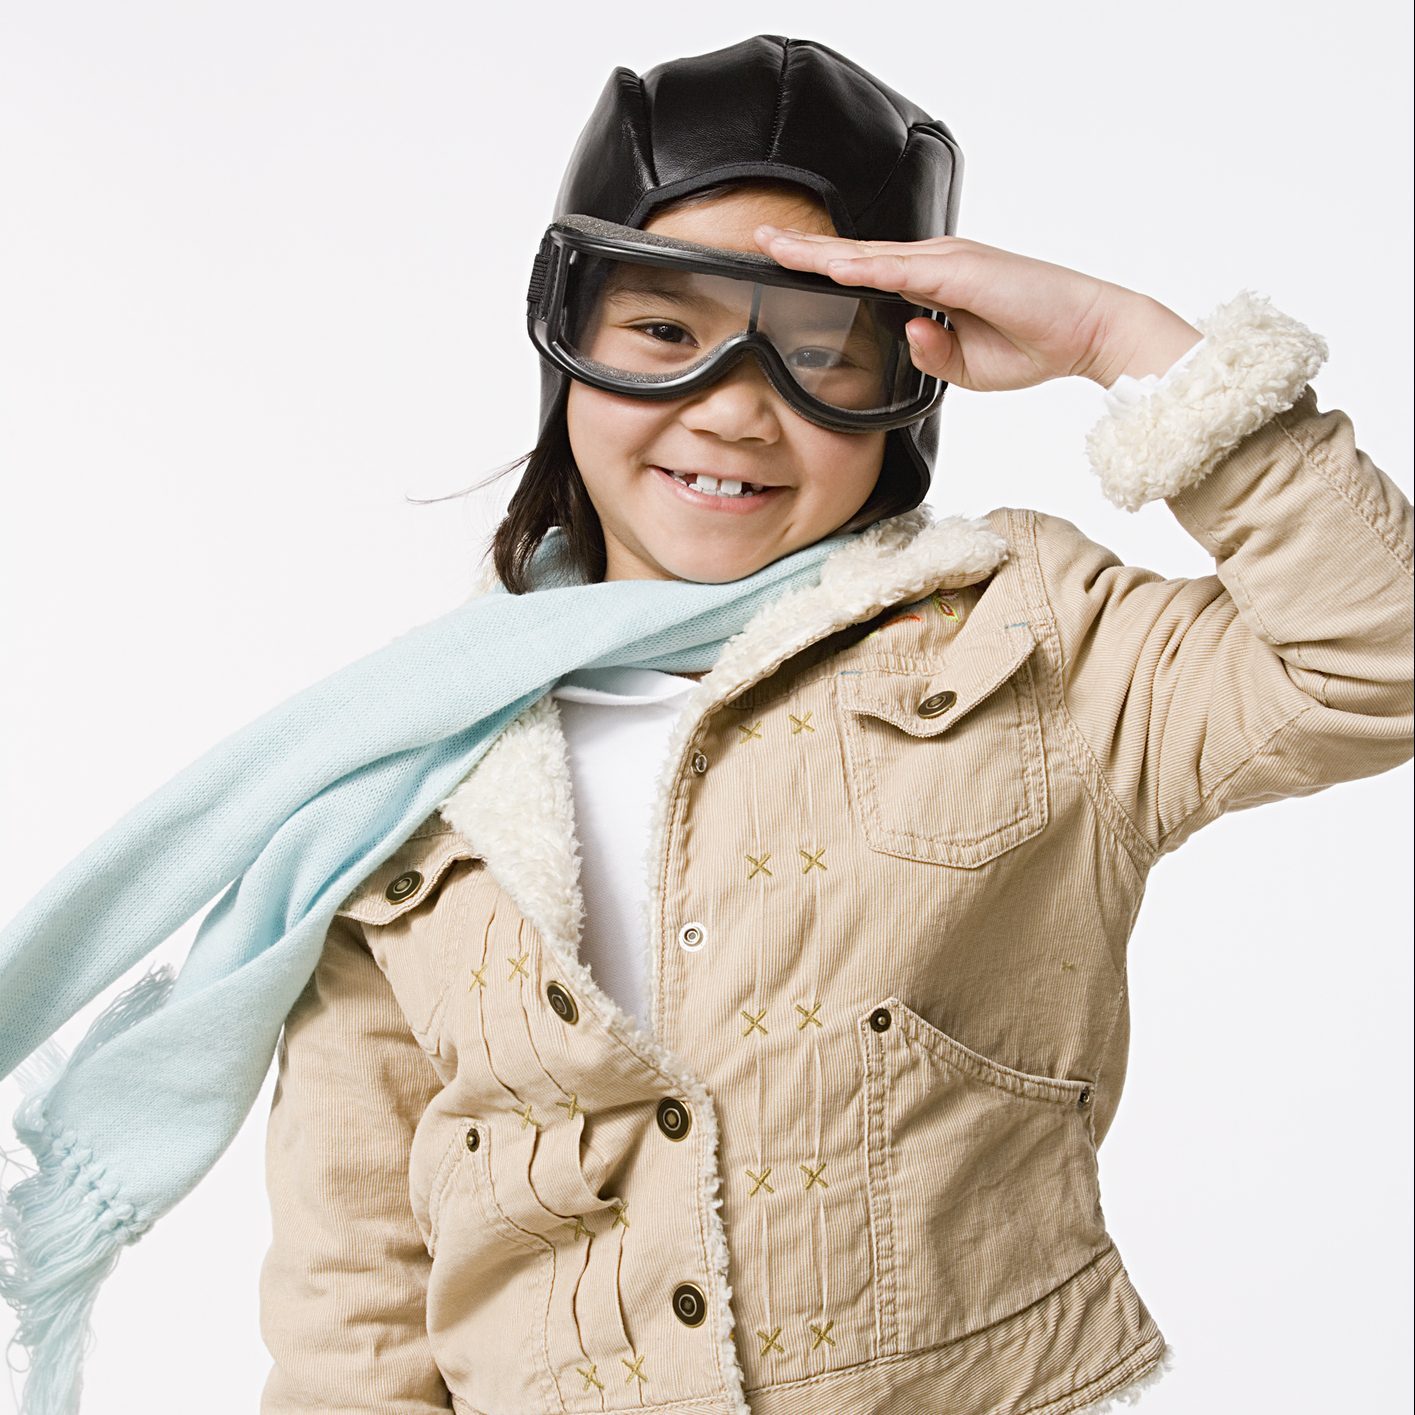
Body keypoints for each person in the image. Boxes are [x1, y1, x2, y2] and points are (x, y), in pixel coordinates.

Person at [2, 33, 1410, 1415]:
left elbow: (1376, 657)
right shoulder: (411, 762)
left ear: (906, 394)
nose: (735, 411)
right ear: (570, 346)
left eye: (820, 354)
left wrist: (1123, 344)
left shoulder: (1036, 638)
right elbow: (357, 1279)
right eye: (666, 333)